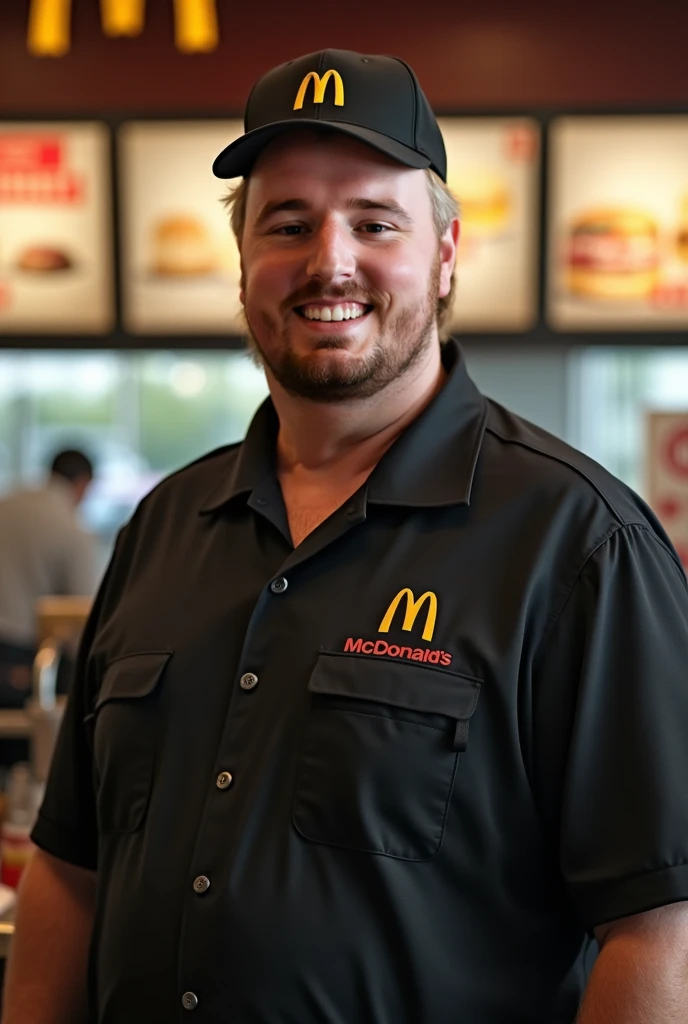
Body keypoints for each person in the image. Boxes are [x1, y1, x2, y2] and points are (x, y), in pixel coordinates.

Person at [4, 50, 688, 1024]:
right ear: (243, 259)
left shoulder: (578, 542)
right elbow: (70, 869)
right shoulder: (164, 525)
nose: (330, 260)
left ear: (445, 254)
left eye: (375, 222)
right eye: (288, 223)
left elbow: (660, 927)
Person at [0, 449, 96, 733]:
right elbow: (82, 615)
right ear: (83, 483)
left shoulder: (7, 502)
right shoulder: (71, 528)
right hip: (27, 658)